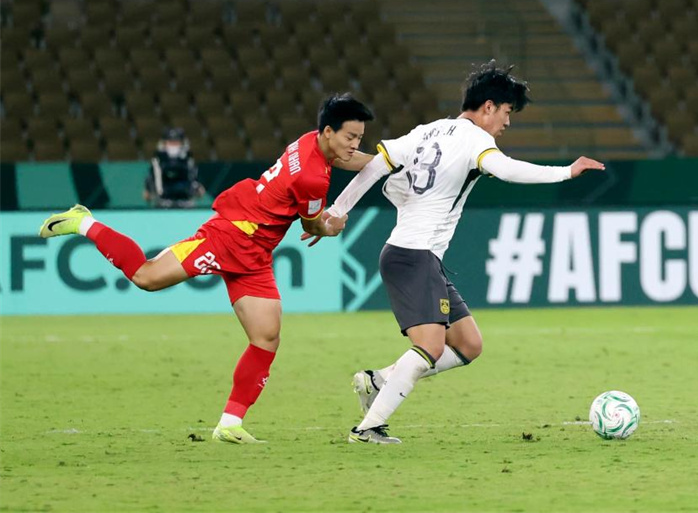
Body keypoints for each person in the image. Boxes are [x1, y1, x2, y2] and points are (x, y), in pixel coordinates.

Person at [38, 94, 375, 444]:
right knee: (146, 277)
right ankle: (84, 223)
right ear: (328, 132)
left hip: (255, 252)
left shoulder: (311, 142)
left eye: (360, 139)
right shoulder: (312, 178)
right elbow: (313, 227)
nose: (355, 145)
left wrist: (386, 161)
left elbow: (348, 161)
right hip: (231, 236)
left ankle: (230, 423)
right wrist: (332, 226)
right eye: (350, 137)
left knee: (266, 337)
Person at [302, 61, 605, 444]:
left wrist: (337, 211)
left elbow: (375, 167)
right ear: (490, 106)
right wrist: (564, 172)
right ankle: (368, 429)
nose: (507, 123)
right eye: (507, 112)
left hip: (411, 254)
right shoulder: (476, 140)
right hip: (416, 255)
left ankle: (377, 381)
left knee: (467, 344)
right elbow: (507, 170)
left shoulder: (425, 132)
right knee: (429, 346)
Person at [143, 127, 206, 209]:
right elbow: (152, 177)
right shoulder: (158, 159)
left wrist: (197, 188)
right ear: (164, 143)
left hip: (185, 201)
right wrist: (149, 189)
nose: (173, 145)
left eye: (176, 142)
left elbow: (194, 178)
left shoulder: (188, 159)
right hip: (163, 201)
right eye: (170, 142)